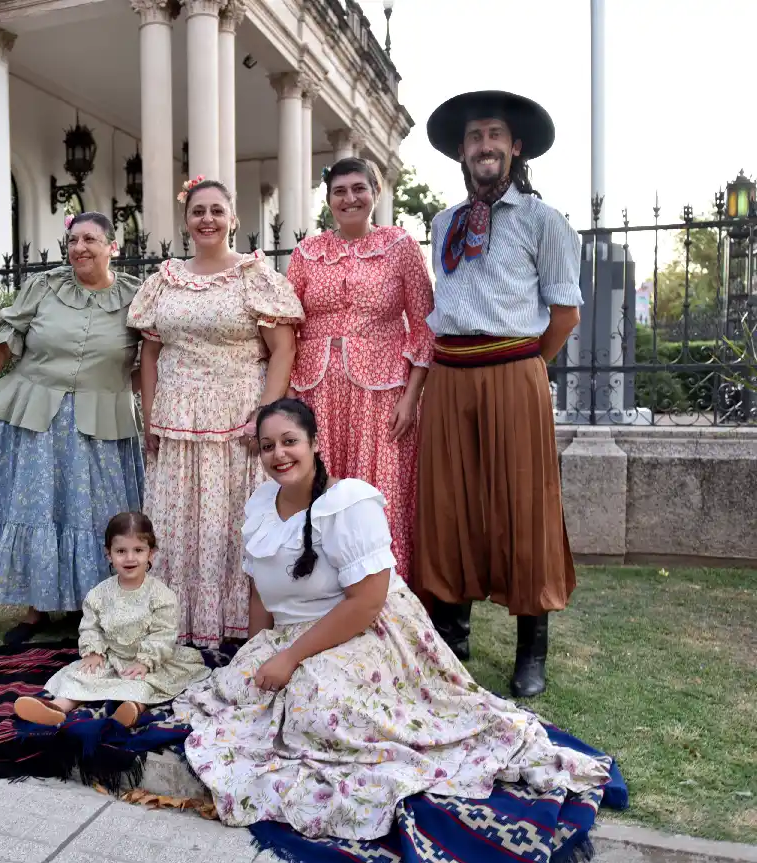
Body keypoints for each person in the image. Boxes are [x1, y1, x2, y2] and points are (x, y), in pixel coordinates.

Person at [173, 398, 610, 841]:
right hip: (293, 635)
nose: (279, 454)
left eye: (290, 442)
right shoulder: (262, 503)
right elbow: (259, 590)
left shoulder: (348, 502)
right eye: (267, 446)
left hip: (365, 628)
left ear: (315, 443)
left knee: (317, 699)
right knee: (239, 694)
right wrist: (258, 651)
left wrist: (289, 658)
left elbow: (366, 602)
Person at [415, 91, 582, 698]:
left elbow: (565, 313)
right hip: (450, 373)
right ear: (461, 152)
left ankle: (530, 645)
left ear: (515, 147)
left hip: (514, 369)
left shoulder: (545, 220)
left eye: (495, 135)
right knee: (449, 503)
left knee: (522, 505)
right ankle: (452, 636)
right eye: (474, 137)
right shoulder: (443, 224)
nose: (484, 146)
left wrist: (525, 369)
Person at [0, 212, 145, 646]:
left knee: (96, 516)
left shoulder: (137, 298)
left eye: (91, 239)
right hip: (36, 420)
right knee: (37, 510)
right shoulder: (44, 287)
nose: (80, 247)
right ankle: (35, 607)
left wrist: (121, 388)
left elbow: (151, 364)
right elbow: (2, 344)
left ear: (112, 247)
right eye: (73, 239)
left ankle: (92, 605)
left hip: (103, 425)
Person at [128, 177, 303, 648]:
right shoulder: (162, 282)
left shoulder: (255, 277)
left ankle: (240, 628)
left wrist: (264, 417)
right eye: (198, 211)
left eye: (216, 210)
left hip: (238, 418)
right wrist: (150, 420)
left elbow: (282, 350)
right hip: (177, 417)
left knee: (233, 523)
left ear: (233, 218)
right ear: (186, 221)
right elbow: (149, 357)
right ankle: (179, 625)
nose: (207, 219)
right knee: (177, 523)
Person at [287, 157, 434, 586]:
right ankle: (319, 596)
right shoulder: (306, 252)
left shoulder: (399, 246)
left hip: (381, 392)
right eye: (339, 191)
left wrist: (411, 396)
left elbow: (424, 323)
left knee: (375, 492)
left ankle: (384, 598)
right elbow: (285, 322)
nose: (349, 198)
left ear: (375, 192)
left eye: (358, 188)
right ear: (328, 199)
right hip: (316, 393)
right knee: (320, 491)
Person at [14, 511, 209, 728]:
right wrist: (94, 651)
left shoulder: (161, 596)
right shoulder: (99, 594)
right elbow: (90, 626)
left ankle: (131, 709)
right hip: (111, 657)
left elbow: (163, 634)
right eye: (121, 551)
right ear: (109, 555)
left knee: (144, 685)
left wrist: (145, 661)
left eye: (138, 550)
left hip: (148, 662)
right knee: (82, 675)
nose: (130, 558)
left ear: (151, 554)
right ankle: (57, 707)